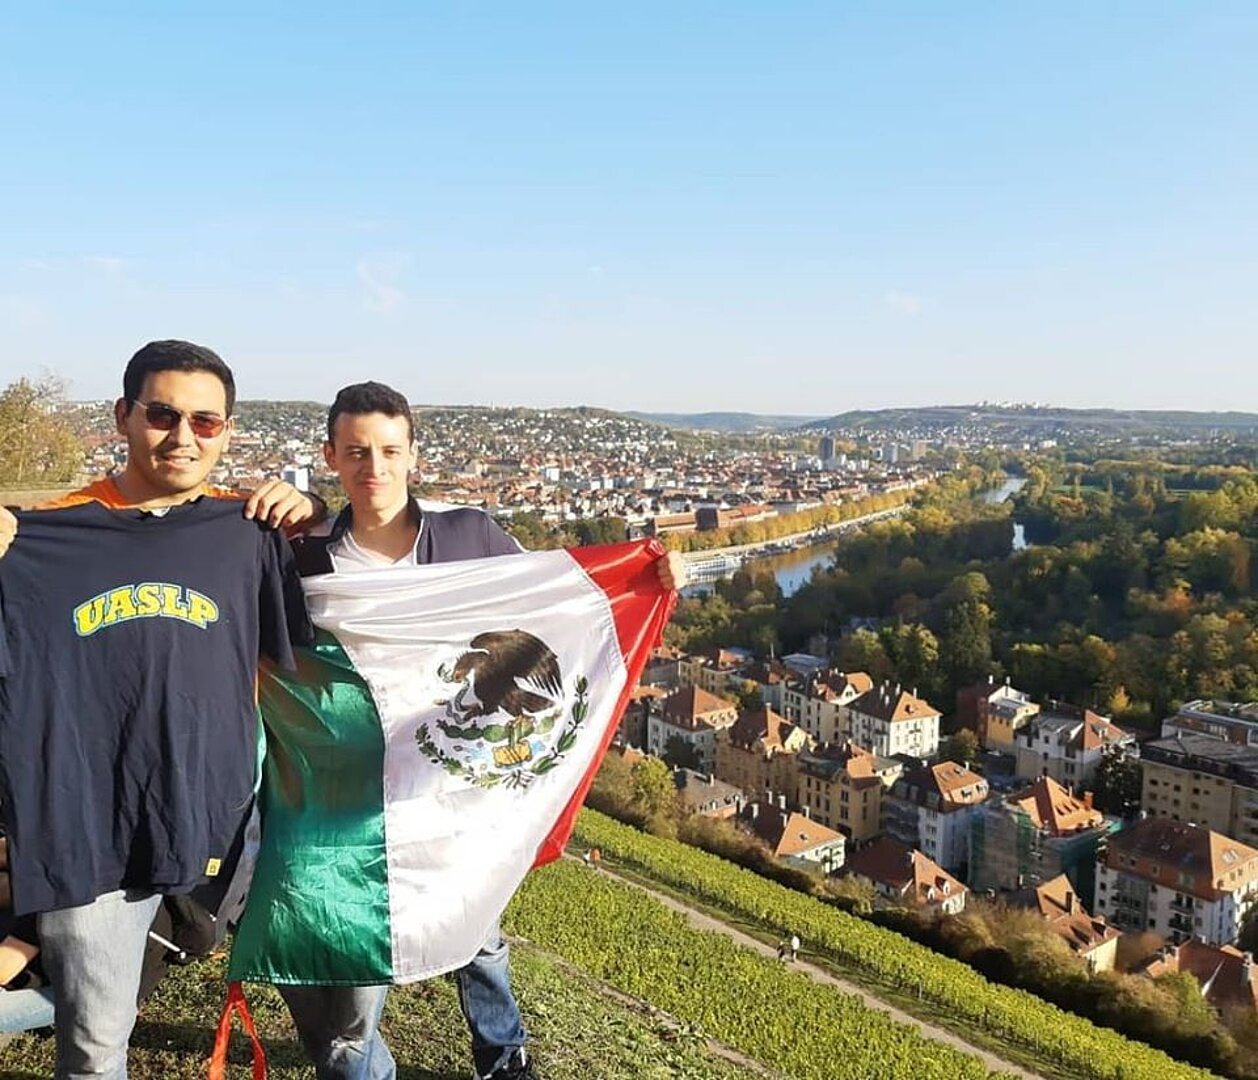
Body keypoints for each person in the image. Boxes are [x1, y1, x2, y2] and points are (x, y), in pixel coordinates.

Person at [273, 381, 683, 1080]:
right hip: (357, 792)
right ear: (330, 458)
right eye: (357, 452)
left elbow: (554, 602)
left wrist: (650, 579)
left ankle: (502, 1053)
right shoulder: (303, 556)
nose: (374, 467)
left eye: (389, 451)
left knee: (480, 930)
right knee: (360, 964)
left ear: (414, 456)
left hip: (456, 778)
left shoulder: (469, 535)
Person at [0, 340, 316, 1079]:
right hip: (89, 828)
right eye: (162, 414)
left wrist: (314, 507)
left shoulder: (247, 533)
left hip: (215, 825)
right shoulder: (40, 538)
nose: (183, 436)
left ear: (227, 431)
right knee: (95, 1043)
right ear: (124, 416)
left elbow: (339, 624)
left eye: (205, 422)